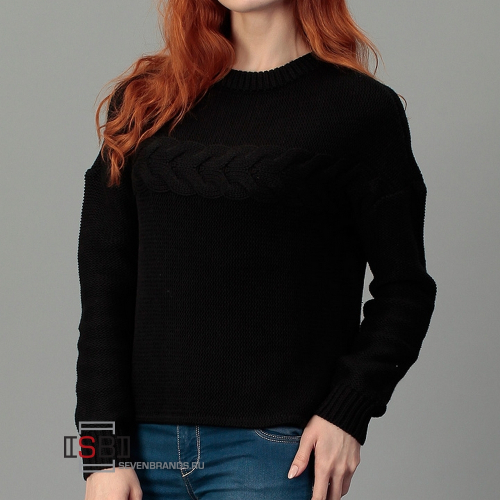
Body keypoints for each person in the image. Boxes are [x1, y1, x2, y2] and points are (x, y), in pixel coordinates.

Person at [75, 0, 438, 499]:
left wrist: (347, 413)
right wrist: (98, 455)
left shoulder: (359, 109)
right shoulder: (146, 99)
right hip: (137, 451)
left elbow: (406, 290)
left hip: (271, 454)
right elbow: (103, 293)